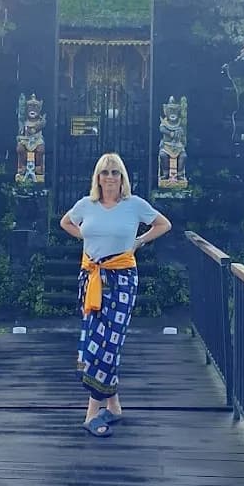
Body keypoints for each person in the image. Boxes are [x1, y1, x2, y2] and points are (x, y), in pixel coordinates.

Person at [60, 152, 171, 437]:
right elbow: (66, 222)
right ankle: (114, 407)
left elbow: (163, 224)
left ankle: (91, 414)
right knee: (95, 339)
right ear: (97, 178)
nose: (110, 177)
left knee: (110, 343)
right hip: (92, 277)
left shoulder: (134, 205)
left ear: (122, 177)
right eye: (105, 172)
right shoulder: (86, 205)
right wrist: (86, 236)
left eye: (115, 172)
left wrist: (139, 241)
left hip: (121, 279)